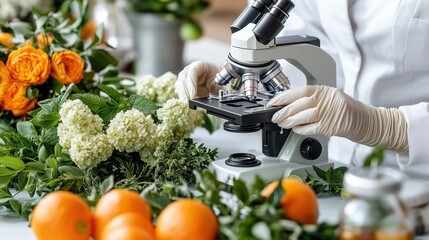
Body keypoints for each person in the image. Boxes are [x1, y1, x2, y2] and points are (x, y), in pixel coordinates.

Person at [175, 0, 429, 181]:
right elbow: (305, 39)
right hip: (336, 165)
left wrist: (387, 127)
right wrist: (233, 81)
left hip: (415, 180)